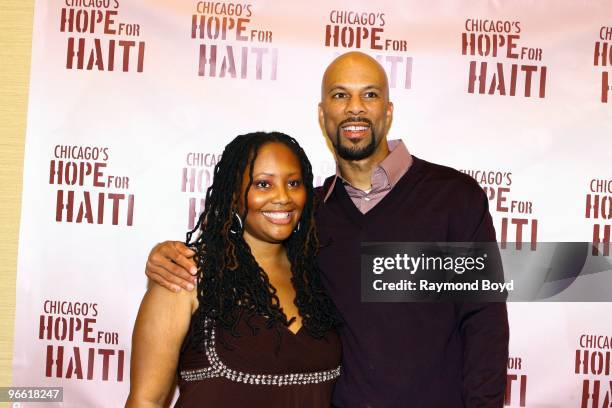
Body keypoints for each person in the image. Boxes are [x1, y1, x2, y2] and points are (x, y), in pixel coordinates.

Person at [145, 52, 509, 407]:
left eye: (370, 94)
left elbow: (484, 319)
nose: (355, 108)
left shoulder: (453, 197)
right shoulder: (308, 214)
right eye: (340, 95)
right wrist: (166, 254)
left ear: (388, 110)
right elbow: (248, 254)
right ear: (323, 116)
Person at [127, 132, 342, 408]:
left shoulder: (318, 275)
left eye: (294, 183)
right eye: (263, 184)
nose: (283, 197)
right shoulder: (186, 275)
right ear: (233, 195)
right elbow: (146, 401)